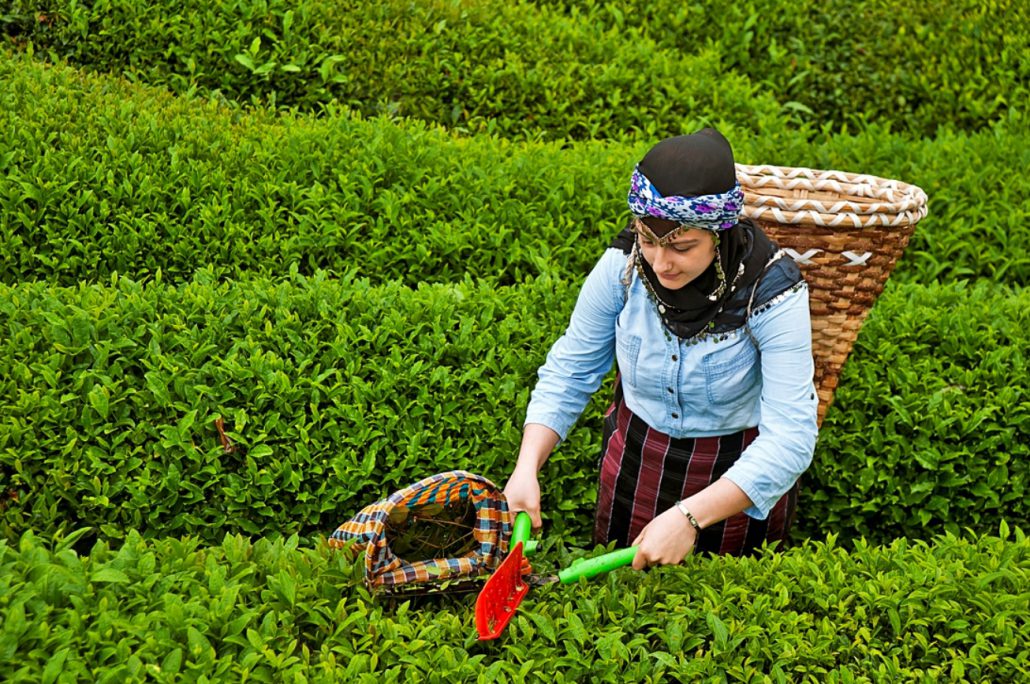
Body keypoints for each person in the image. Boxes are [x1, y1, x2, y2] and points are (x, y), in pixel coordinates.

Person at [503, 128, 819, 569]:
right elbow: (570, 370)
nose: (660, 263)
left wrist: (691, 517)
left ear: (719, 233)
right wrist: (526, 467)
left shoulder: (771, 291)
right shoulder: (623, 268)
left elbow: (792, 438)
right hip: (637, 463)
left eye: (682, 247)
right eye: (648, 240)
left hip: (734, 478)